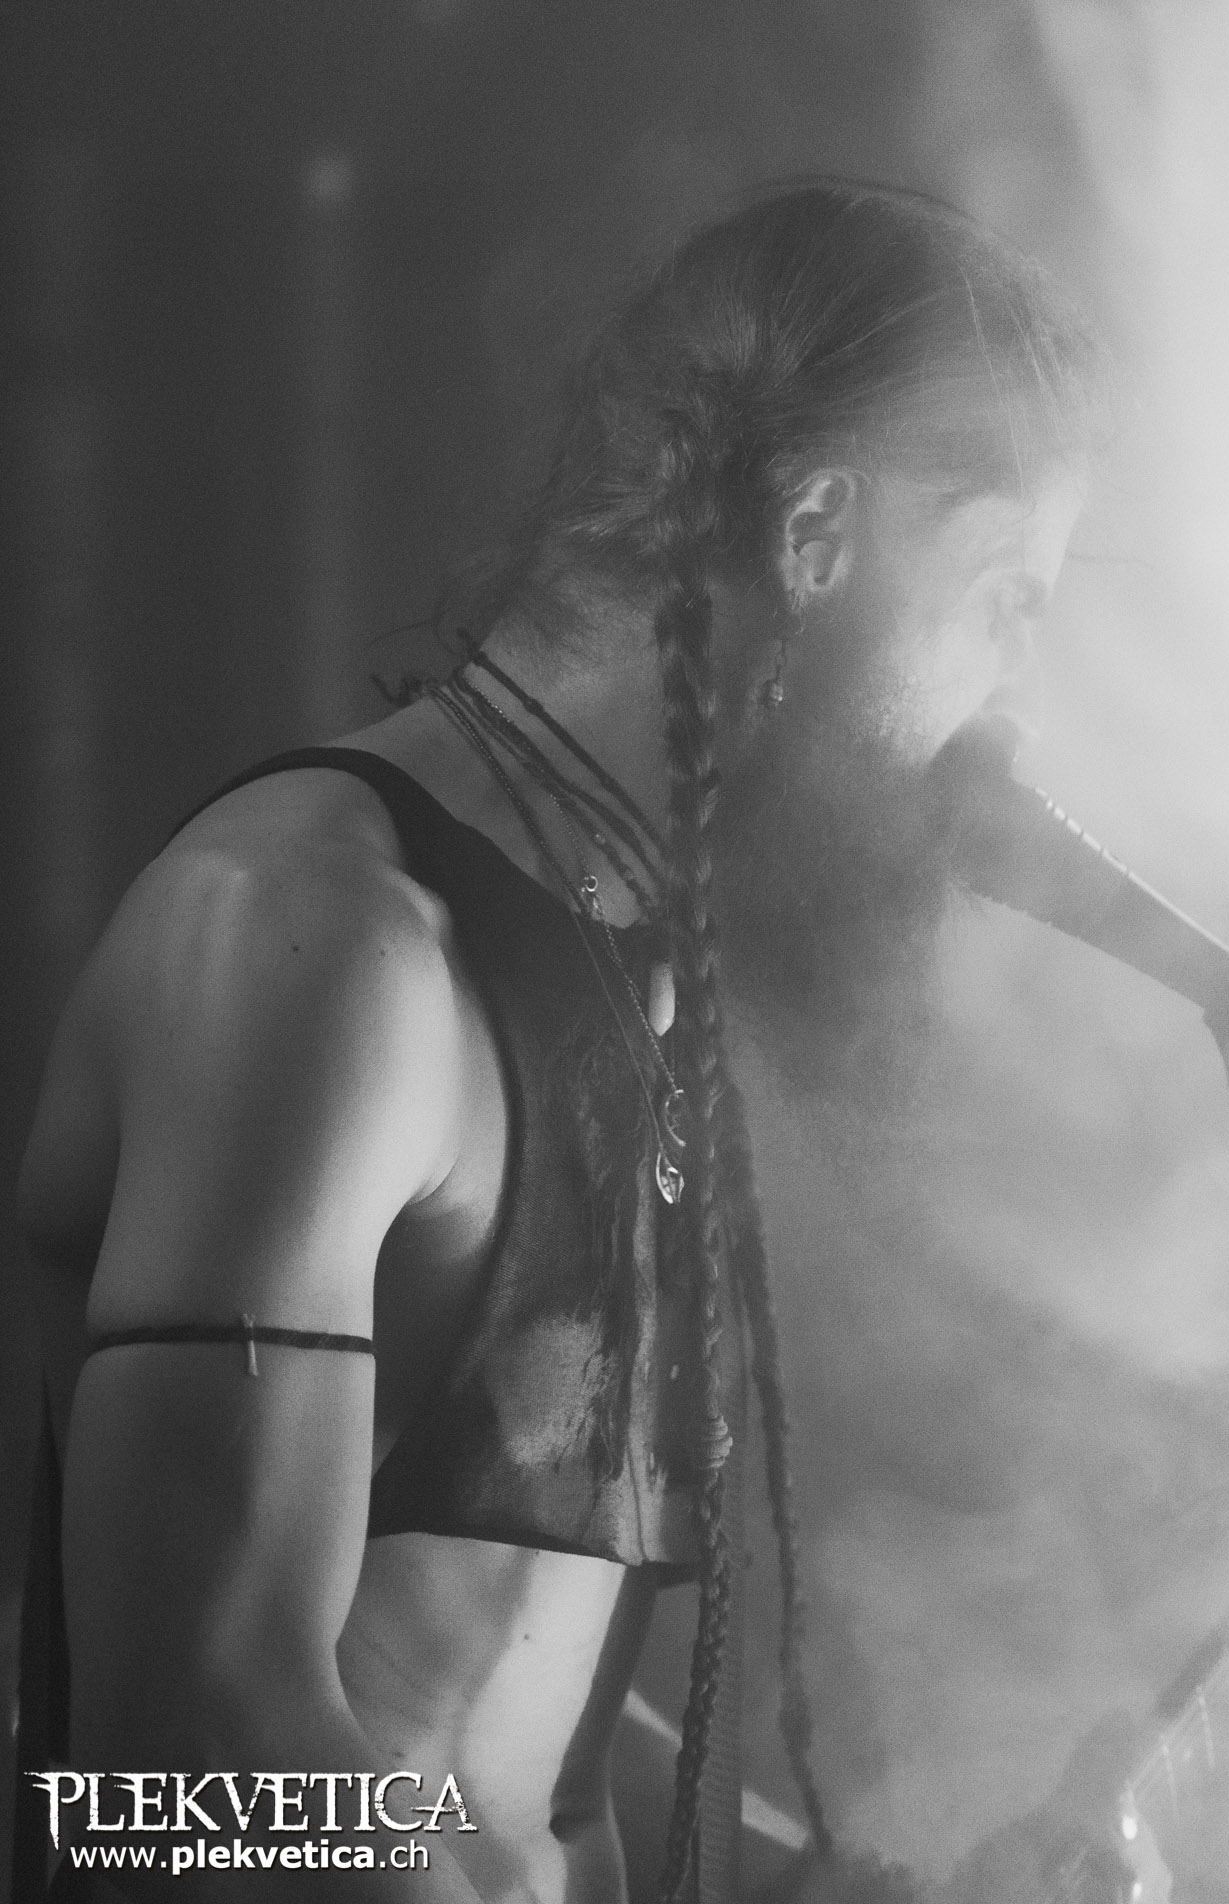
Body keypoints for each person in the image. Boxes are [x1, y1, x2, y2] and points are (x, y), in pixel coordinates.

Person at [17, 181, 1113, 1902]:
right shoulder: (321, 947)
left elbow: (487, 1742)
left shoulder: (625, 972)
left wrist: (828, 1888)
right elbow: (185, 1765)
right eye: (1002, 590)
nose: (1015, 693)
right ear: (816, 531)